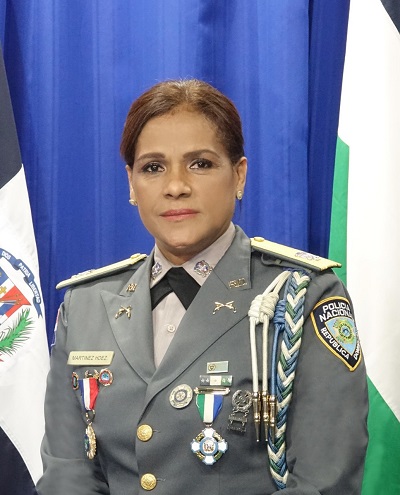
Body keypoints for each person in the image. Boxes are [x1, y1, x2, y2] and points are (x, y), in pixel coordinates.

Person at [37, 79, 368, 494]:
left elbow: (323, 482)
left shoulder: (304, 296)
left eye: (200, 164)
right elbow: (68, 474)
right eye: (153, 167)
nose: (176, 186)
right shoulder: (85, 305)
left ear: (239, 175)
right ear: (131, 184)